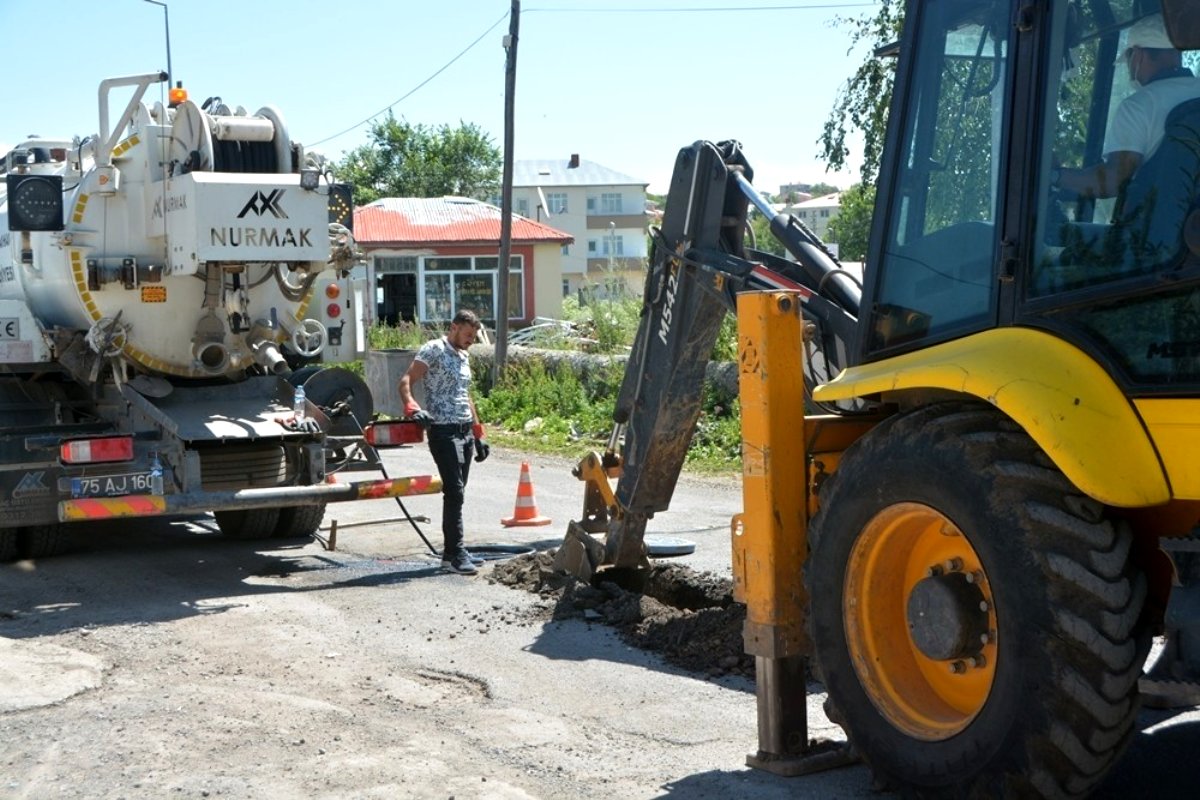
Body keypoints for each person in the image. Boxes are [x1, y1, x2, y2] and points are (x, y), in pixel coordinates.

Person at [1056, 13, 1200, 198]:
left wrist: (1056, 176)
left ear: (1138, 55)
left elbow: (1112, 182)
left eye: (1128, 59)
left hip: (1168, 225)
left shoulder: (1138, 106)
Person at [398, 309, 491, 575]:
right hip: (442, 430)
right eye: (468, 334)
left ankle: (451, 553)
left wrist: (478, 433)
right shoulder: (434, 349)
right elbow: (405, 381)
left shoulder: (463, 356)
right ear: (454, 328)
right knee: (455, 491)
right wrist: (413, 408)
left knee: (458, 494)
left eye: (474, 336)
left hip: (464, 429)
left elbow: (465, 396)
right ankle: (456, 552)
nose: (472, 340)